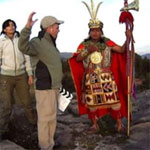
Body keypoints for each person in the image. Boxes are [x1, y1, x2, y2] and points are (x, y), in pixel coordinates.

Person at [69, 0, 132, 134]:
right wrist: (88, 51)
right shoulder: (84, 44)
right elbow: (78, 58)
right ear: (89, 32)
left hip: (106, 76)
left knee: (114, 100)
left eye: (97, 30)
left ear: (101, 31)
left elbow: (121, 50)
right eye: (92, 31)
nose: (95, 33)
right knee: (92, 103)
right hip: (91, 77)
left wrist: (128, 39)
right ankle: (94, 124)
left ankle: (119, 123)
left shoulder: (107, 42)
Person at [18, 12, 63, 150]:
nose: (58, 29)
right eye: (56, 27)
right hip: (45, 87)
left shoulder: (51, 43)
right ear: (49, 28)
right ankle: (45, 147)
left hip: (54, 87)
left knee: (52, 118)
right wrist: (27, 28)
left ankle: (50, 145)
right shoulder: (37, 42)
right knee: (45, 119)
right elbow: (23, 47)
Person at [0, 19, 36, 141]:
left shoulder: (20, 40)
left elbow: (27, 57)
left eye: (13, 25)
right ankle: (3, 131)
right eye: (9, 26)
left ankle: (33, 126)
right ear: (4, 29)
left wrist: (30, 74)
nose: (12, 27)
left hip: (21, 76)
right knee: (7, 105)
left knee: (27, 103)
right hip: (6, 76)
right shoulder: (1, 41)